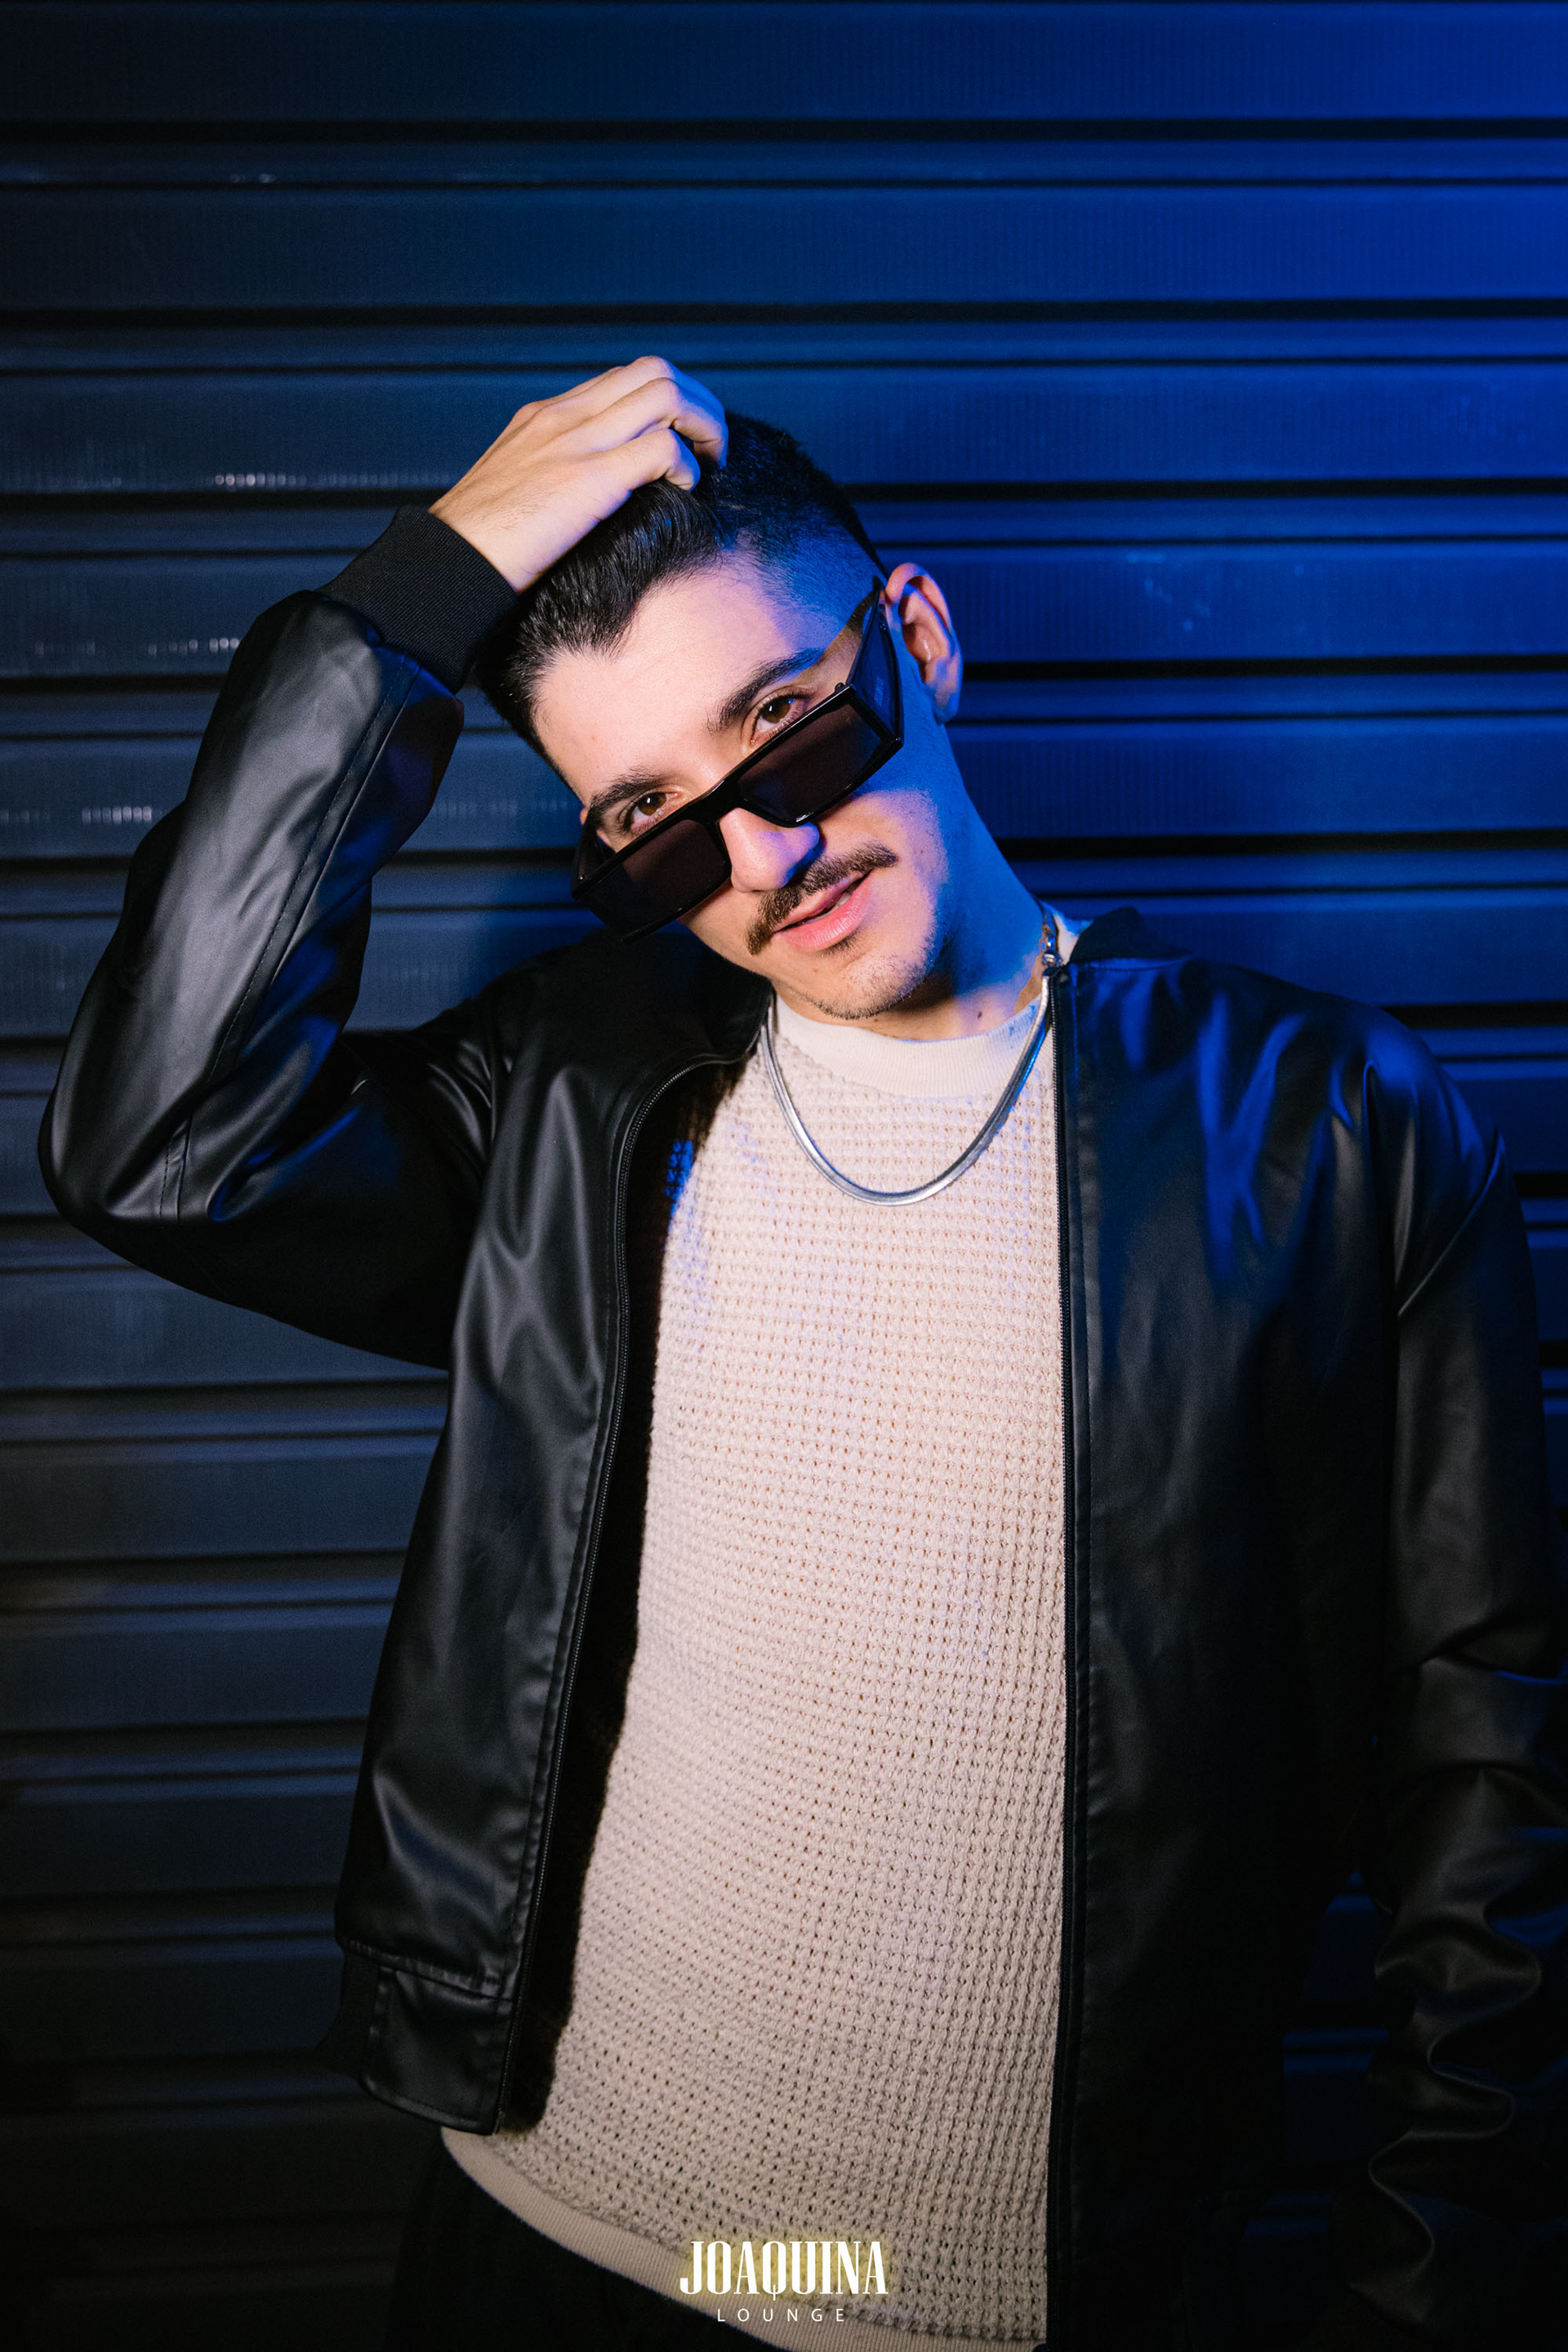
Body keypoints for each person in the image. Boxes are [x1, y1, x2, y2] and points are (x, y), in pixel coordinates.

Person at [39, 359, 1566, 2352]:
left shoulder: (1323, 1134)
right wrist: (409, 602)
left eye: (790, 726)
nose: (765, 858)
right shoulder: (576, 1099)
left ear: (919, 633)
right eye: (653, 827)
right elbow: (162, 1142)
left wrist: (1433, 2293)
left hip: (983, 2305)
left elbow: (1487, 1762)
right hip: (538, 2242)